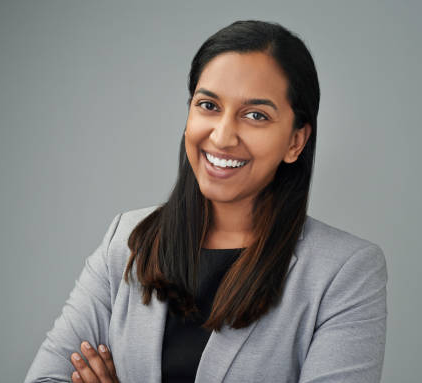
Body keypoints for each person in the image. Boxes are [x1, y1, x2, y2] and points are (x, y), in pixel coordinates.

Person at [24, 20, 388, 383]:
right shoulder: (125, 240)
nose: (223, 136)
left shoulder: (345, 273)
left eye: (256, 115)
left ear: (295, 141)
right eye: (208, 105)